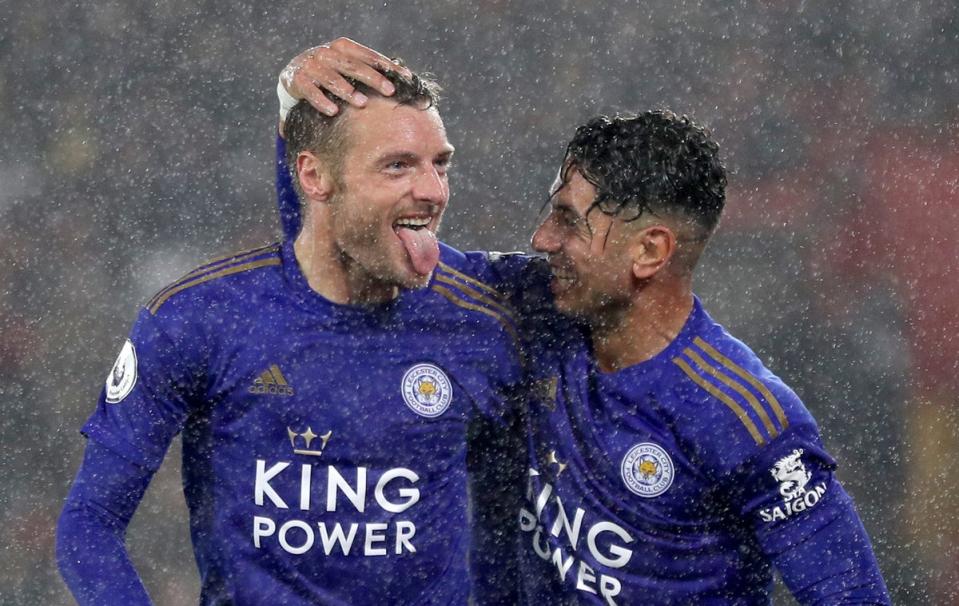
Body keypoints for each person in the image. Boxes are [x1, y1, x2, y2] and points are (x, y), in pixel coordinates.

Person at [278, 40, 891, 604]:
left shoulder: (742, 416)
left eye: (570, 222)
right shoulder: (523, 307)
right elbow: (329, 251)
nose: (542, 237)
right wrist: (296, 104)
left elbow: (851, 594)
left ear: (649, 252)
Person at [56, 46, 524, 605]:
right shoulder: (199, 319)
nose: (433, 190)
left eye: (440, 163)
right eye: (398, 165)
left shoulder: (485, 314)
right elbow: (89, 524)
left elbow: (508, 532)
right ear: (312, 175)